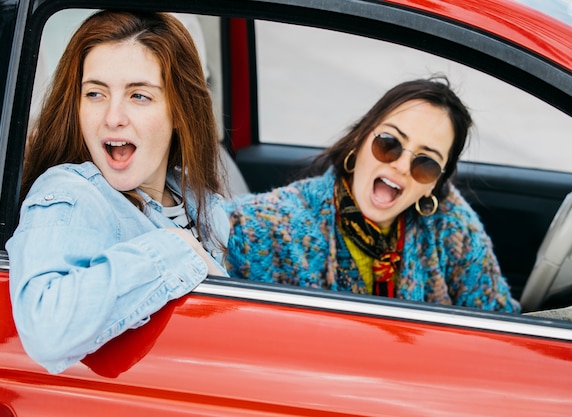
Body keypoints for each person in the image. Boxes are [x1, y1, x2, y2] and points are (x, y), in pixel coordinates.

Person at [7, 10, 229, 374]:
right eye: (95, 93)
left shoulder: (194, 197)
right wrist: (175, 250)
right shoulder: (70, 192)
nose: (112, 117)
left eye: (139, 96)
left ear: (180, 110)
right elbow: (46, 328)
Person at [225, 76, 521, 313]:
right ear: (360, 138)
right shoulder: (284, 219)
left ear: (436, 183)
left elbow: (501, 322)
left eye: (426, 163)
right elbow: (210, 227)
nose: (402, 165)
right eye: (389, 142)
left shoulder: (452, 227)